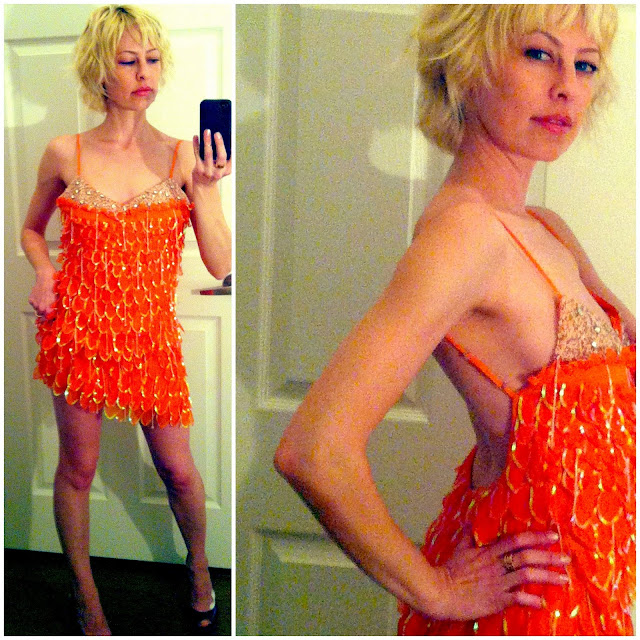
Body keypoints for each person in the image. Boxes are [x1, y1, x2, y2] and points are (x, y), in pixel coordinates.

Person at [275, 4, 635, 636]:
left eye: (585, 65)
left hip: (594, 575)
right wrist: (437, 591)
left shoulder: (546, 228)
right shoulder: (465, 234)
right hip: (529, 602)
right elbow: (313, 451)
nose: (567, 87)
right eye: (539, 54)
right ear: (466, 66)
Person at [21, 5, 231, 635]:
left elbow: (220, 264)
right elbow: (31, 230)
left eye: (153, 59)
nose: (145, 73)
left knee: (178, 470)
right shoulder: (64, 152)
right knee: (77, 470)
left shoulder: (184, 156)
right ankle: (87, 599)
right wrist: (45, 271)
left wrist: (207, 188)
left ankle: (199, 566)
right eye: (128, 60)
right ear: (100, 72)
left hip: (151, 340)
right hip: (79, 334)